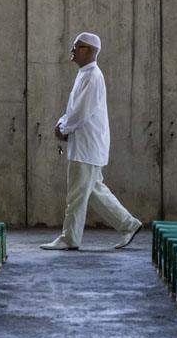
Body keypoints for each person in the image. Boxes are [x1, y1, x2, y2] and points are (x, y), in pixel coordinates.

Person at [40, 32, 143, 251]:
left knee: (76, 196)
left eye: (76, 46)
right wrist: (62, 123)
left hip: (87, 147)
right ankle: (128, 225)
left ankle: (70, 239)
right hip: (87, 146)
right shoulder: (86, 74)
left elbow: (81, 112)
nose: (72, 50)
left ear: (90, 50)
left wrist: (63, 128)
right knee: (95, 191)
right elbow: (74, 109)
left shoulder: (93, 76)